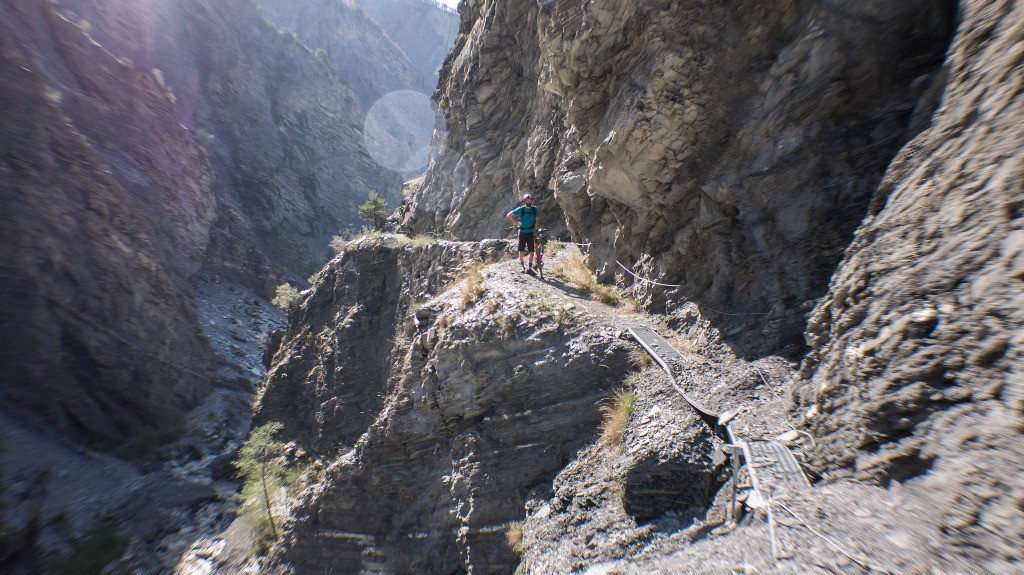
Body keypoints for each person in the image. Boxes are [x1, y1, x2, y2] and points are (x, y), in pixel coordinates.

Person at [507, 194, 539, 274]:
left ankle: (530, 267)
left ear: (531, 200)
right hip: (522, 232)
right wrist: (517, 223)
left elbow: (536, 220)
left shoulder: (535, 209)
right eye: (526, 200)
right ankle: (523, 267)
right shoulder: (521, 209)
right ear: (524, 201)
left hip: (530, 232)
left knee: (531, 250)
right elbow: (509, 215)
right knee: (521, 250)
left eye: (529, 200)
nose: (528, 201)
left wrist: (534, 230)